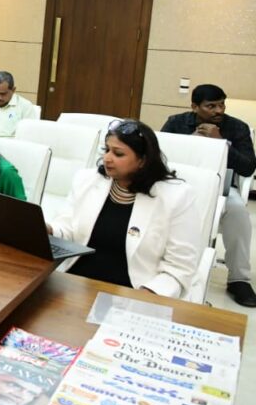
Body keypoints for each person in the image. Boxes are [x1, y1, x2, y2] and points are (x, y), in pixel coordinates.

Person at [49, 120, 200, 299]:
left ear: (143, 160)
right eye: (106, 150)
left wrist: (146, 295)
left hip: (133, 292)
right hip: (75, 283)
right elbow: (67, 229)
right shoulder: (87, 180)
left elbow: (180, 267)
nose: (107, 158)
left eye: (118, 153)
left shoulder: (176, 197)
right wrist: (49, 230)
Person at [161, 85, 255, 307]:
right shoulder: (176, 123)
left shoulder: (237, 127)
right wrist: (191, 143)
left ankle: (239, 279)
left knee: (239, 213)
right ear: (195, 107)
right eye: (211, 106)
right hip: (177, 184)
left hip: (221, 188)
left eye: (222, 105)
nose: (219, 110)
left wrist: (222, 143)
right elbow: (160, 155)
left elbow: (248, 168)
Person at [0, 71, 36, 138]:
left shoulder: (25, 106)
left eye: (3, 94)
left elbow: (30, 134)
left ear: (13, 90)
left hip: (14, 143)